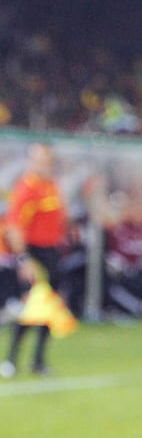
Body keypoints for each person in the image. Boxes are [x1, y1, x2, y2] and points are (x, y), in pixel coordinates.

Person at [1, 143, 70, 378]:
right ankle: (11, 358)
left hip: (51, 252)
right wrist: (24, 259)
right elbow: (14, 228)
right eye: (38, 160)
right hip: (34, 253)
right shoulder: (26, 189)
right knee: (30, 308)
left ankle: (38, 360)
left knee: (49, 310)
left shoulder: (51, 186)